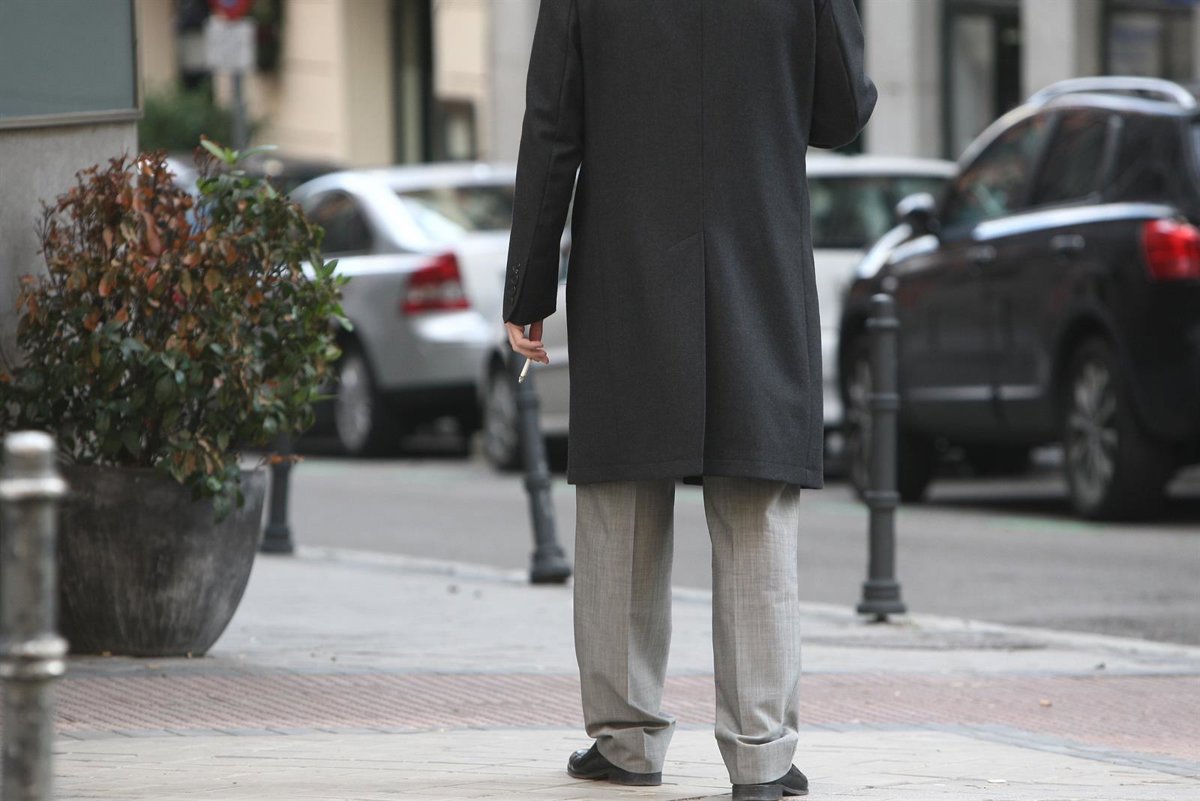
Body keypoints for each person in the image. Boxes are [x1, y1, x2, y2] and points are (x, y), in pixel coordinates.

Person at [502, 2, 876, 799]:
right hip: (759, 253)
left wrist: (529, 286)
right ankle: (761, 754)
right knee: (756, 500)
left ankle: (626, 740)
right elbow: (843, 112)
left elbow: (552, 125)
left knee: (622, 499)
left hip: (628, 258)